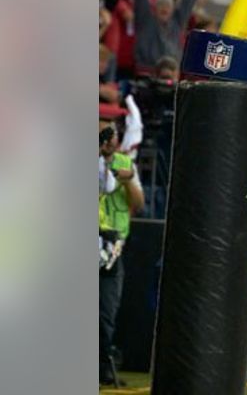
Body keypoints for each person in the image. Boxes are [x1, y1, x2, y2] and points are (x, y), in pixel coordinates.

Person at [98, 123, 144, 386]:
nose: (108, 141)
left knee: (106, 309)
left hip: (112, 244)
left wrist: (125, 177)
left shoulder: (126, 163)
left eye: (110, 135)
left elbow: (138, 203)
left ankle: (102, 366)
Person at [132, 0, 202, 71]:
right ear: (155, 8)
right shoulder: (146, 21)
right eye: (161, 5)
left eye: (168, 6)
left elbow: (187, 2)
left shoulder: (176, 23)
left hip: (171, 72)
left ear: (172, 10)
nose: (164, 8)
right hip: (147, 70)